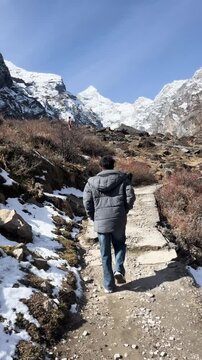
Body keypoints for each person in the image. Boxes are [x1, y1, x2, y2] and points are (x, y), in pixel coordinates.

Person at [83, 155, 135, 293]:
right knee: (120, 245)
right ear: (113, 165)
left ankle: (108, 285)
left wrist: (93, 216)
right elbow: (131, 198)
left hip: (100, 221)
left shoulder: (91, 182)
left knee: (105, 253)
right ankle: (119, 269)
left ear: (101, 166)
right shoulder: (123, 179)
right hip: (118, 219)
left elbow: (87, 202)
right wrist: (124, 210)